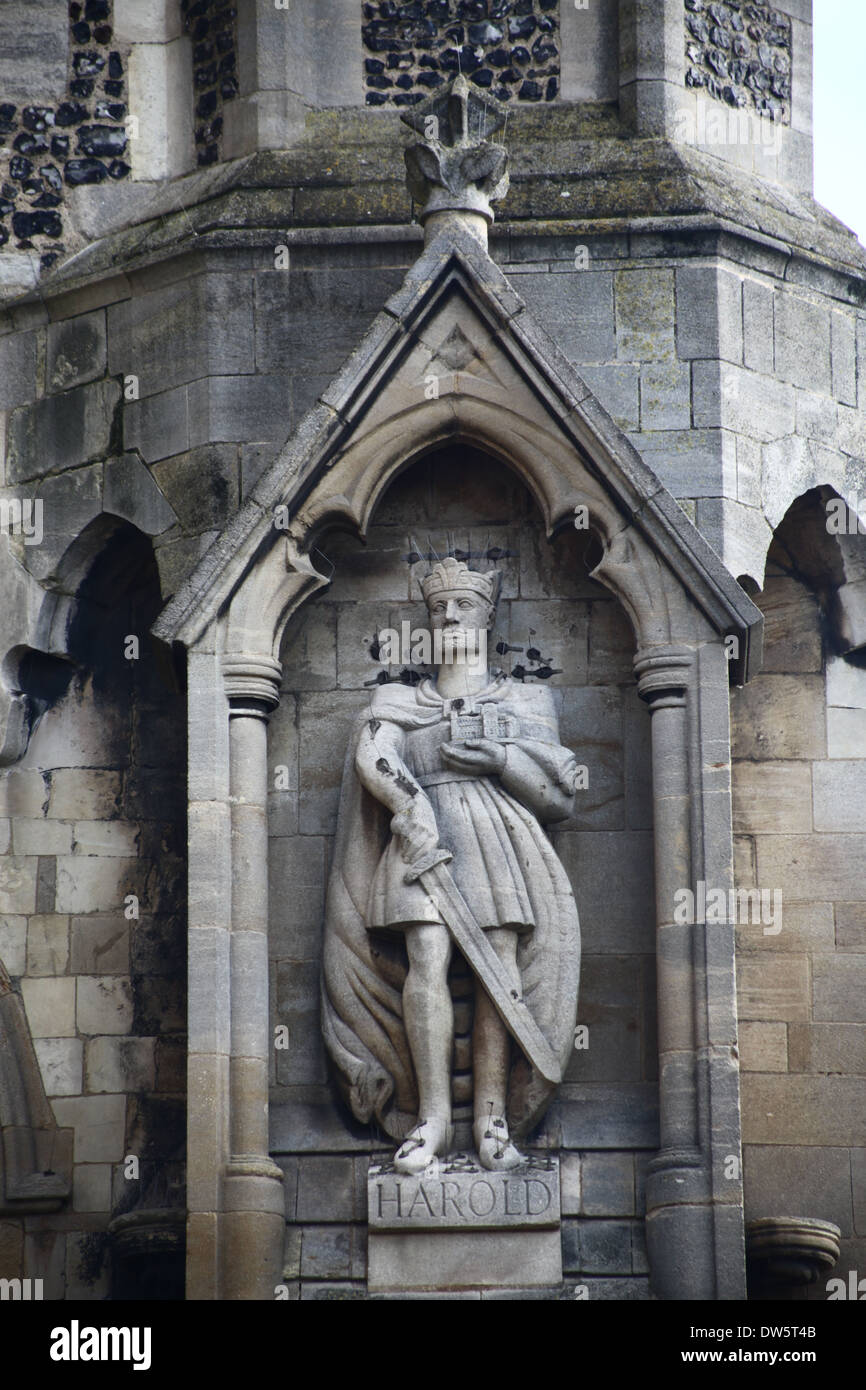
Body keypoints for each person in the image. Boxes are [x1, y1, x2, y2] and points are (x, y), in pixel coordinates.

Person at [322, 557, 581, 1174]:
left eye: (464, 606)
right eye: (439, 607)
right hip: (422, 843)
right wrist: (409, 802)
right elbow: (372, 754)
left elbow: (560, 799)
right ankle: (431, 1119)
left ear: (489, 617)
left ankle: (492, 1120)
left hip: (500, 839)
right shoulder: (396, 699)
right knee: (427, 960)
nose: (450, 615)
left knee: (499, 967)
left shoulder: (525, 698)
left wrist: (502, 761)